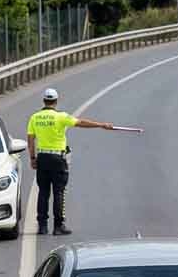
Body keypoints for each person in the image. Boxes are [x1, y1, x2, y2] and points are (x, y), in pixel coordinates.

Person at [26, 88, 116, 236]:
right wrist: (101, 125)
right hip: (58, 159)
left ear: (44, 101)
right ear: (56, 101)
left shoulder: (35, 118)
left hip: (42, 158)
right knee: (59, 192)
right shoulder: (61, 117)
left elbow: (30, 139)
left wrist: (32, 158)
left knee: (43, 192)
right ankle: (58, 226)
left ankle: (42, 226)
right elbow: (81, 123)